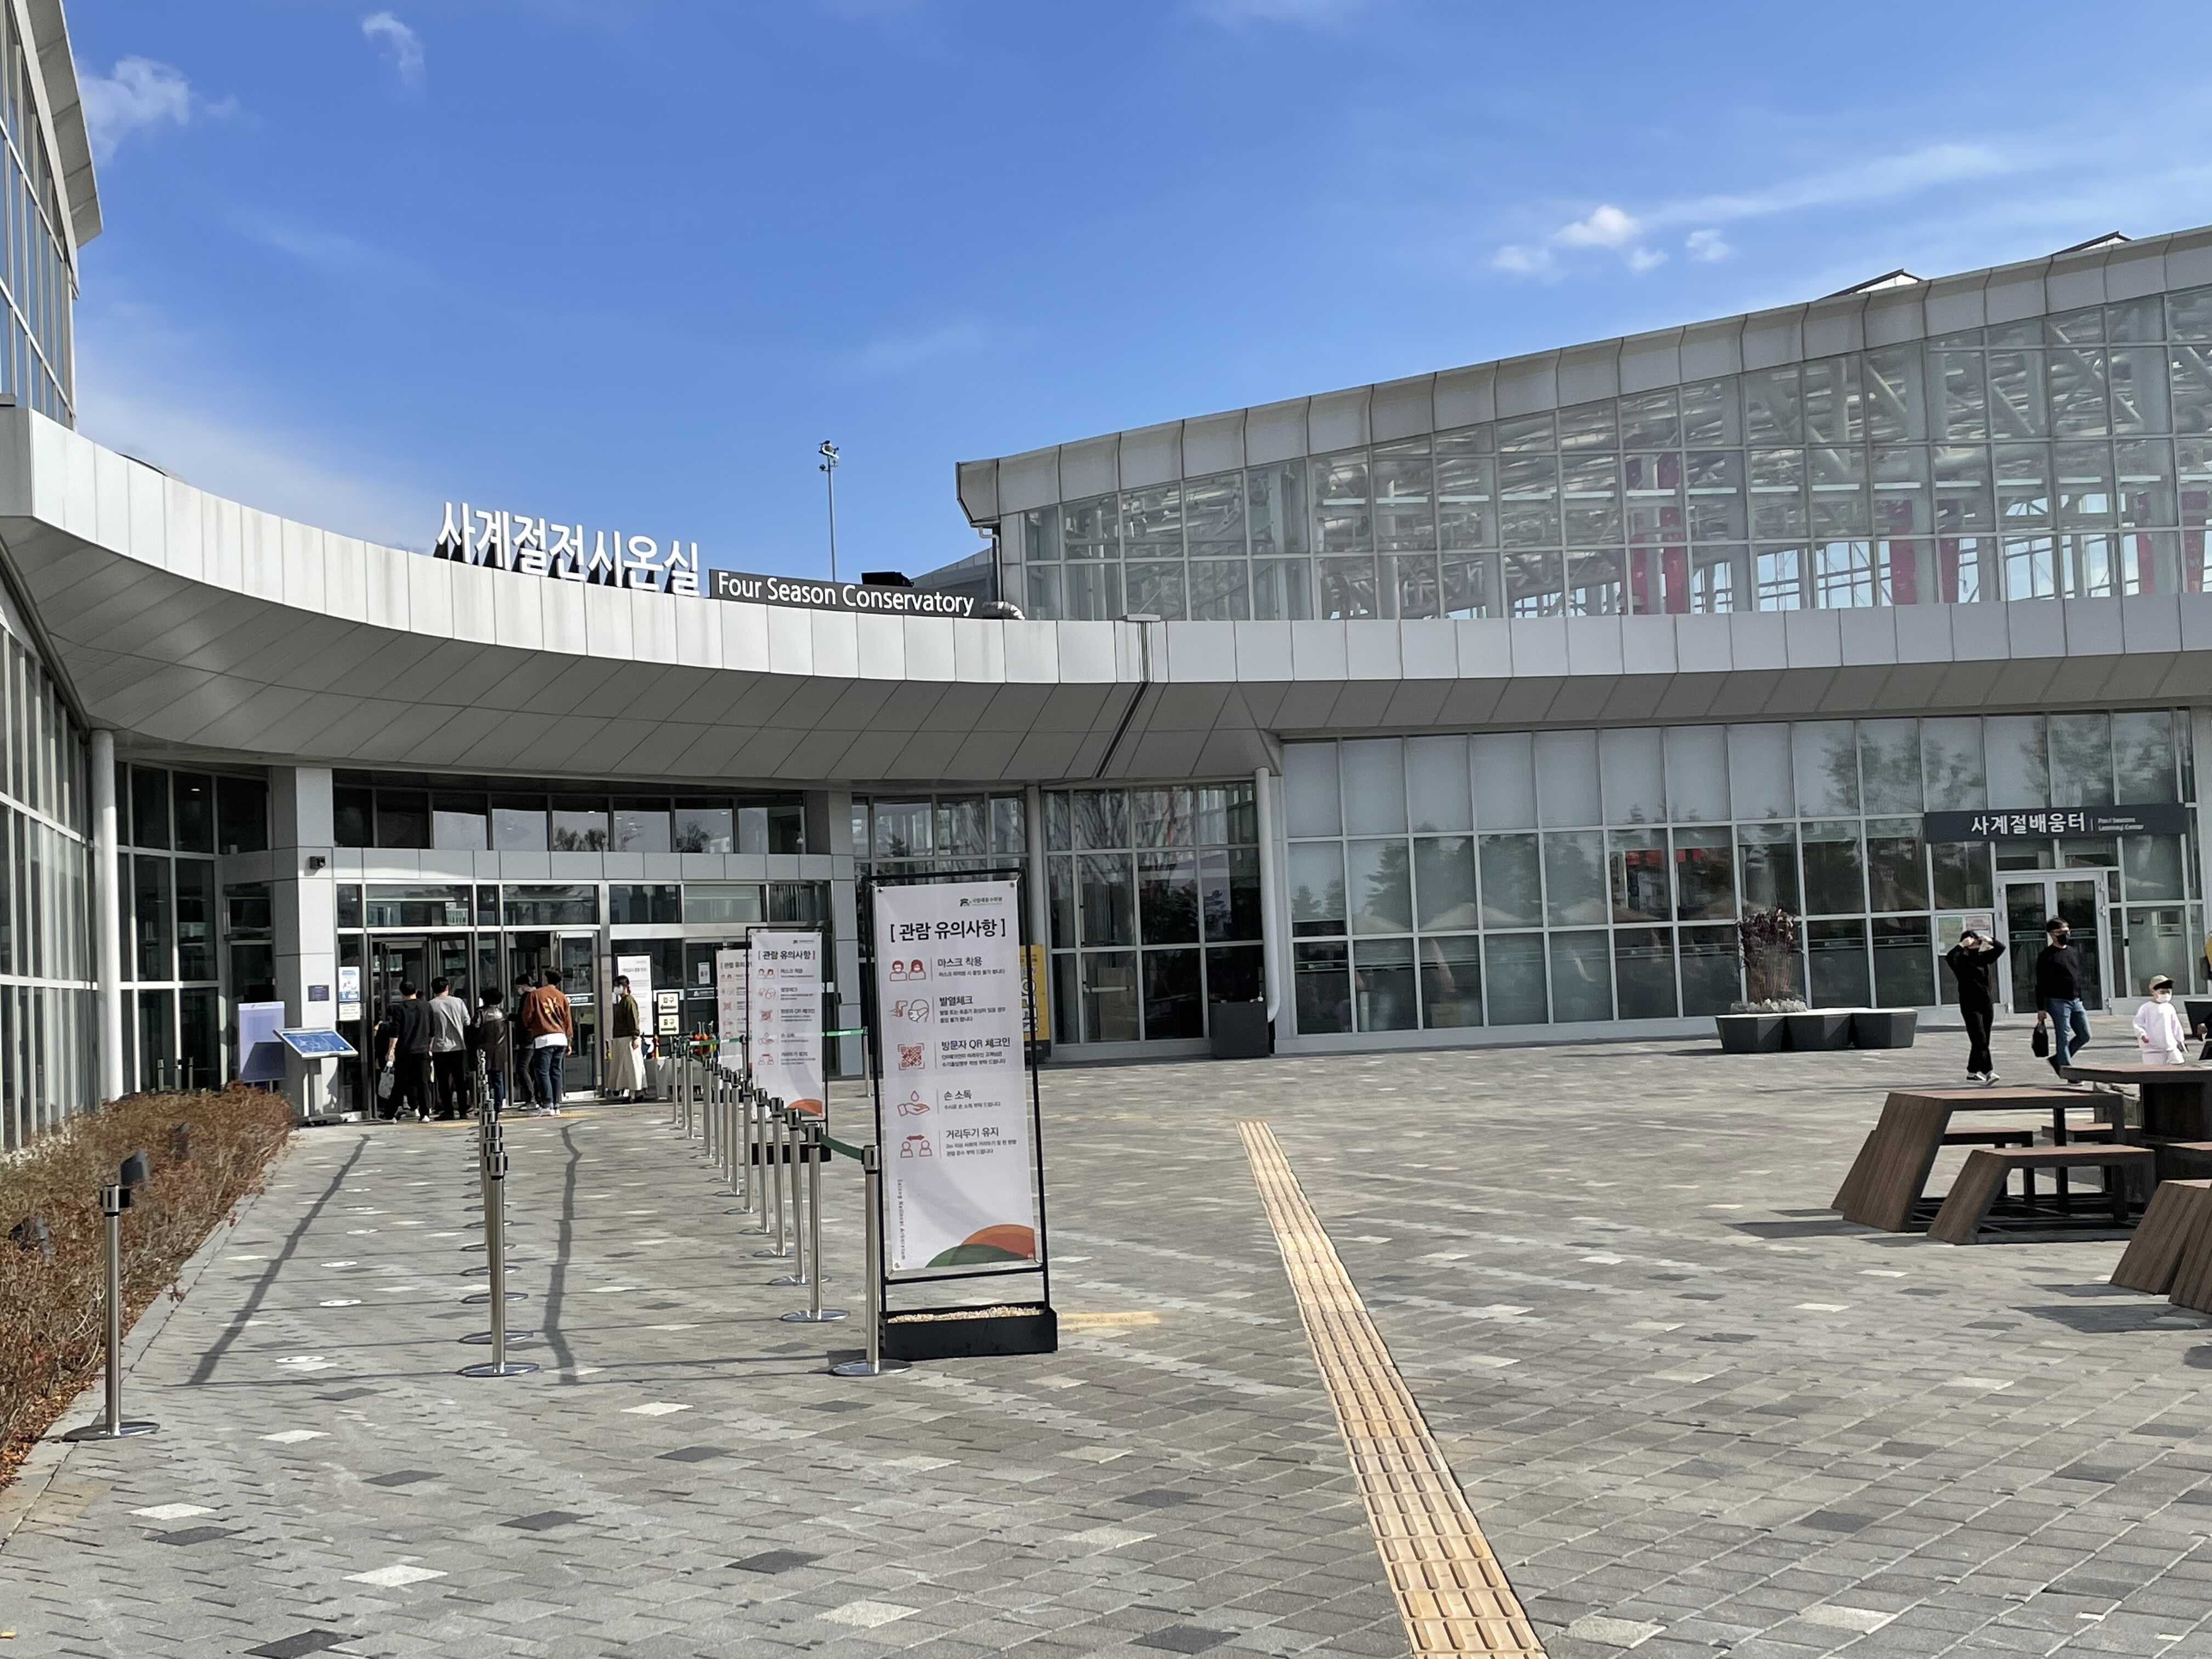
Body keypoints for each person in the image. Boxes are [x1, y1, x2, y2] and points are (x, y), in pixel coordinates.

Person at [1942, 928, 2006, 1085]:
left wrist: (1990, 940)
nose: (1976, 946)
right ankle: (1989, 1072)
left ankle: (1972, 1072)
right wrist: (1961, 945)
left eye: (1977, 943)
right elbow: (1950, 957)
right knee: (1979, 1039)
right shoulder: (1960, 962)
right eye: (1972, 944)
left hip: (1986, 1003)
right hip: (1970, 1005)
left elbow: (2001, 948)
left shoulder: (1983, 958)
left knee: (1984, 1039)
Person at [2034, 917, 2092, 1077]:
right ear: (2052, 935)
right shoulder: (2046, 956)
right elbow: (2040, 983)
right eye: (2061, 932)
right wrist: (2041, 1008)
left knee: (2085, 1035)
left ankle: (2058, 1060)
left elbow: (2077, 975)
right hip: (2057, 1001)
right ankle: (2068, 1072)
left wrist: (2081, 995)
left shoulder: (2073, 952)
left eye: (2067, 931)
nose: (2066, 935)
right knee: (2063, 1036)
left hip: (2075, 1000)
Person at [516, 967, 574, 1116]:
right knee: (556, 1071)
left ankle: (547, 1103)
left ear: (546, 978)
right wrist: (569, 1042)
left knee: (543, 1071)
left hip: (544, 1037)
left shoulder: (535, 995)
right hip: (561, 1038)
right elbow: (568, 1021)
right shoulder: (562, 997)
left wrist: (531, 1026)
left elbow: (527, 1017)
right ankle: (556, 1105)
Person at [379, 980, 433, 1121]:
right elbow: (432, 1030)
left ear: (402, 992)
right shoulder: (426, 1006)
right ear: (416, 991)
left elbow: (395, 1032)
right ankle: (425, 1114)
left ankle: (390, 1114)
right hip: (422, 1050)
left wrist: (391, 1050)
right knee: (423, 1083)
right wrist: (430, 1047)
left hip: (404, 1051)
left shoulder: (399, 1009)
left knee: (400, 1083)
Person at [426, 977, 472, 1120]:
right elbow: (467, 1022)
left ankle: (448, 1111)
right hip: (458, 1046)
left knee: (443, 1082)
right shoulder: (458, 1002)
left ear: (433, 990)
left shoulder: (430, 1005)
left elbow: (428, 1027)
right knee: (460, 1080)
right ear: (447, 988)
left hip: (439, 1048)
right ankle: (463, 1110)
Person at [469, 988, 510, 1114]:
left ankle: (485, 1105)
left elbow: (474, 1028)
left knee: (484, 1079)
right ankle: (499, 1105)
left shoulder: (481, 1013)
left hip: (484, 1049)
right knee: (498, 1079)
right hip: (499, 1051)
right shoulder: (502, 1013)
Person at [2136, 975, 2188, 1065]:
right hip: (2153, 1050)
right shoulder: (2146, 1008)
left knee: (2178, 1065)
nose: (2166, 995)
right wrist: (2142, 1035)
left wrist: (2180, 1040)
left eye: (2168, 992)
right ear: (2153, 991)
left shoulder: (2170, 1008)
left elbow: (2176, 1026)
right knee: (2155, 1071)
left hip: (2171, 1048)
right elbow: (2138, 1024)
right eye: (2163, 992)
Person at [607, 974, 644, 1101]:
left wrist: (635, 1036)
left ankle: (633, 1094)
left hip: (628, 1038)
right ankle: (637, 1093)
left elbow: (633, 1019)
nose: (616, 989)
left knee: (631, 1067)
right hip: (623, 1038)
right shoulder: (623, 1001)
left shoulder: (628, 1001)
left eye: (618, 986)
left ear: (625, 987)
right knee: (630, 1067)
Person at [509, 973, 540, 1108]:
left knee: (522, 1068)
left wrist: (509, 1016)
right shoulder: (539, 995)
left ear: (525, 986)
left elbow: (524, 1018)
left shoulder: (528, 997)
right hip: (537, 1036)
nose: (518, 989)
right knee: (534, 1069)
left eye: (519, 986)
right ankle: (537, 1097)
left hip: (528, 1038)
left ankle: (530, 1099)